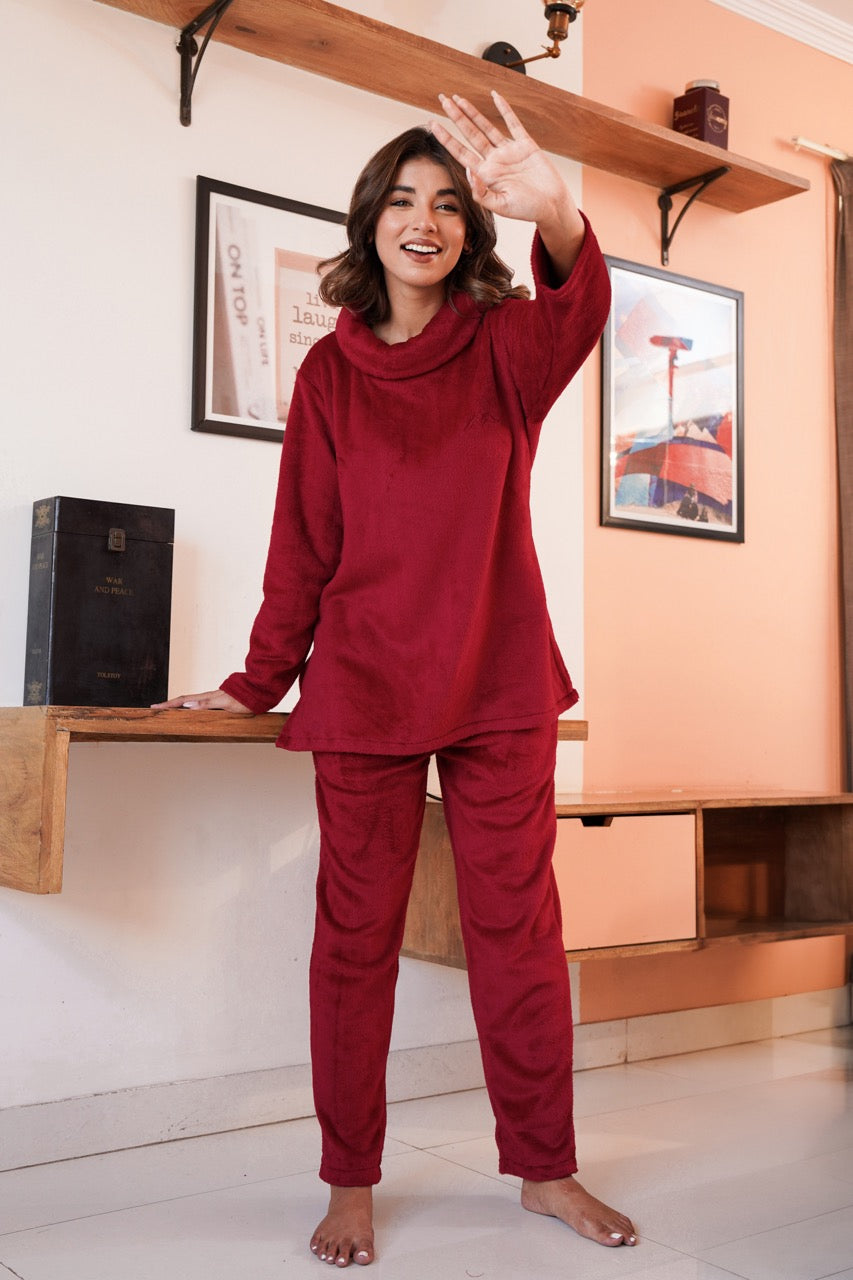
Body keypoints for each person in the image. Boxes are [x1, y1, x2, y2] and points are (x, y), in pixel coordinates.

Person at [154, 90, 637, 1267]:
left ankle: (545, 1168)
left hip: (498, 678)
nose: (426, 220)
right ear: (370, 221)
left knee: (516, 933)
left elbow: (579, 305)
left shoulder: (509, 346)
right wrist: (256, 679)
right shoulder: (328, 373)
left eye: (450, 204)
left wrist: (557, 210)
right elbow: (304, 546)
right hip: (365, 684)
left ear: (472, 230)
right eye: (405, 200)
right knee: (353, 942)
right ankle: (349, 1179)